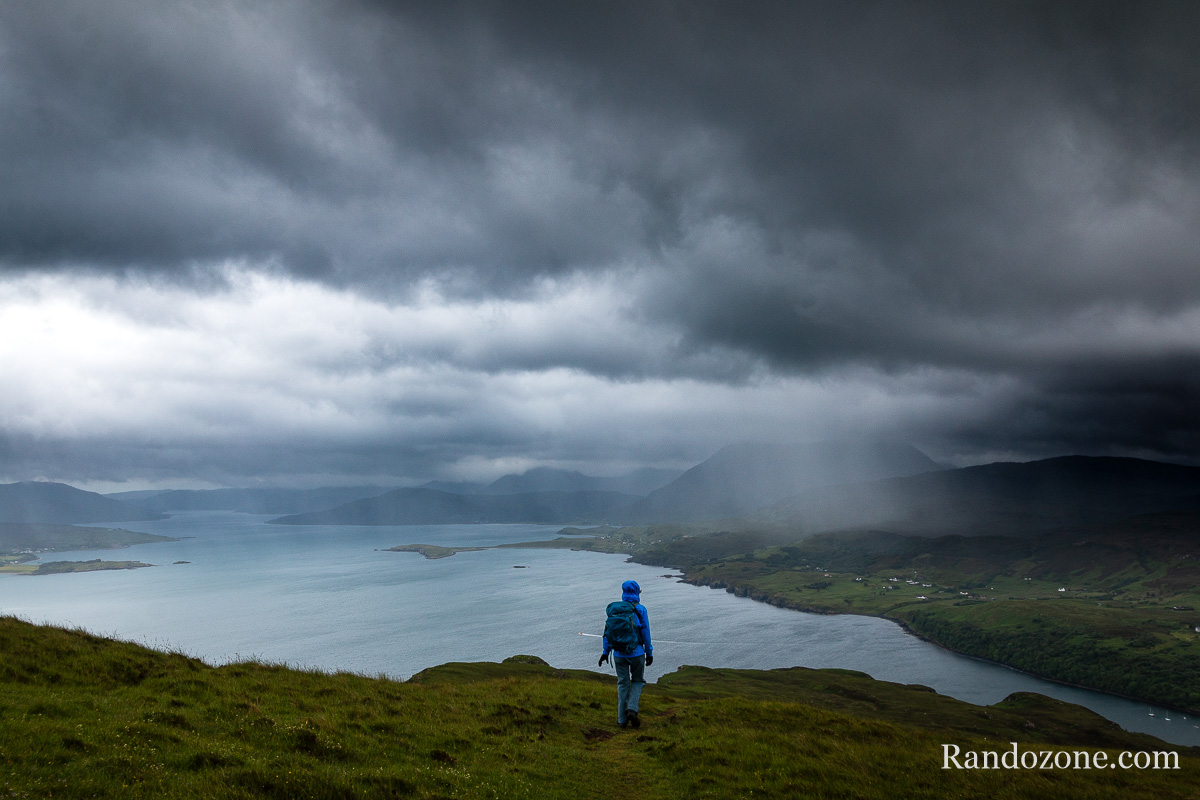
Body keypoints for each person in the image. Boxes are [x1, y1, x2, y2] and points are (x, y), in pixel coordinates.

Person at [598, 579, 653, 728]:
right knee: (638, 681)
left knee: (622, 684)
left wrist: (605, 652)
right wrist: (649, 653)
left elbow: (607, 632)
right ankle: (632, 709)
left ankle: (621, 720)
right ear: (637, 592)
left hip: (618, 654)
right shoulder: (640, 609)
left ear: (623, 592)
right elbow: (646, 633)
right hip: (637, 653)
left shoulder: (614, 610)